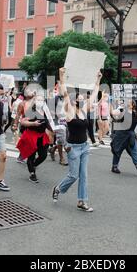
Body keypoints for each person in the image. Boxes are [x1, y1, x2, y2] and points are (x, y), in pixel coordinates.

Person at [51, 68, 102, 212]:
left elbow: (94, 93)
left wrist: (98, 79)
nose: (81, 99)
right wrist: (61, 75)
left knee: (84, 175)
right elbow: (65, 91)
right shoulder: (69, 111)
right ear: (74, 101)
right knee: (73, 175)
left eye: (81, 98)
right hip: (73, 148)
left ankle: (82, 201)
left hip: (85, 146)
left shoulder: (84, 110)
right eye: (78, 98)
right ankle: (58, 188)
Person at [110, 98, 137, 176]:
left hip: (131, 135)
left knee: (134, 151)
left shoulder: (135, 112)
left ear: (133, 104)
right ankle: (114, 166)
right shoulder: (122, 111)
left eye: (129, 101)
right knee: (117, 151)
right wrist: (110, 103)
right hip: (121, 135)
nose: (127, 102)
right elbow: (113, 112)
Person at [17, 92, 53, 183]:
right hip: (31, 136)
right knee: (31, 156)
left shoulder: (45, 111)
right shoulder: (30, 111)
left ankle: (33, 165)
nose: (40, 102)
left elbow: (49, 122)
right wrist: (33, 123)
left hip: (42, 136)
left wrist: (52, 130)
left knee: (43, 155)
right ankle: (32, 174)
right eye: (38, 100)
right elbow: (23, 122)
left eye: (42, 100)